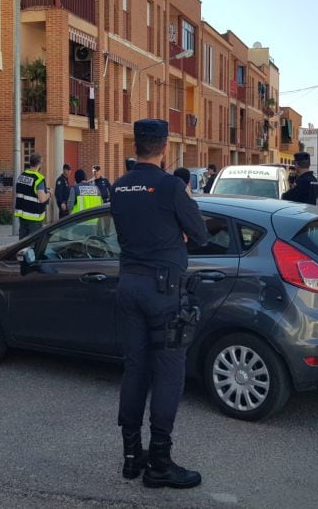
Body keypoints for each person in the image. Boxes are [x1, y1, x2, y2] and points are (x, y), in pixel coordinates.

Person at [111, 118, 208, 489]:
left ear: (135, 145)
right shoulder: (169, 187)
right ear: (165, 147)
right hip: (163, 292)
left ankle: (132, 457)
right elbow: (198, 234)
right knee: (168, 373)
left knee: (135, 371)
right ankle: (160, 463)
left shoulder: (119, 188)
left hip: (129, 287)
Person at [14, 153, 51, 239]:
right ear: (40, 163)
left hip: (22, 216)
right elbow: (42, 199)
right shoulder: (38, 178)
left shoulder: (21, 176)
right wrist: (50, 193)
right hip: (34, 218)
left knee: (22, 244)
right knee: (33, 244)